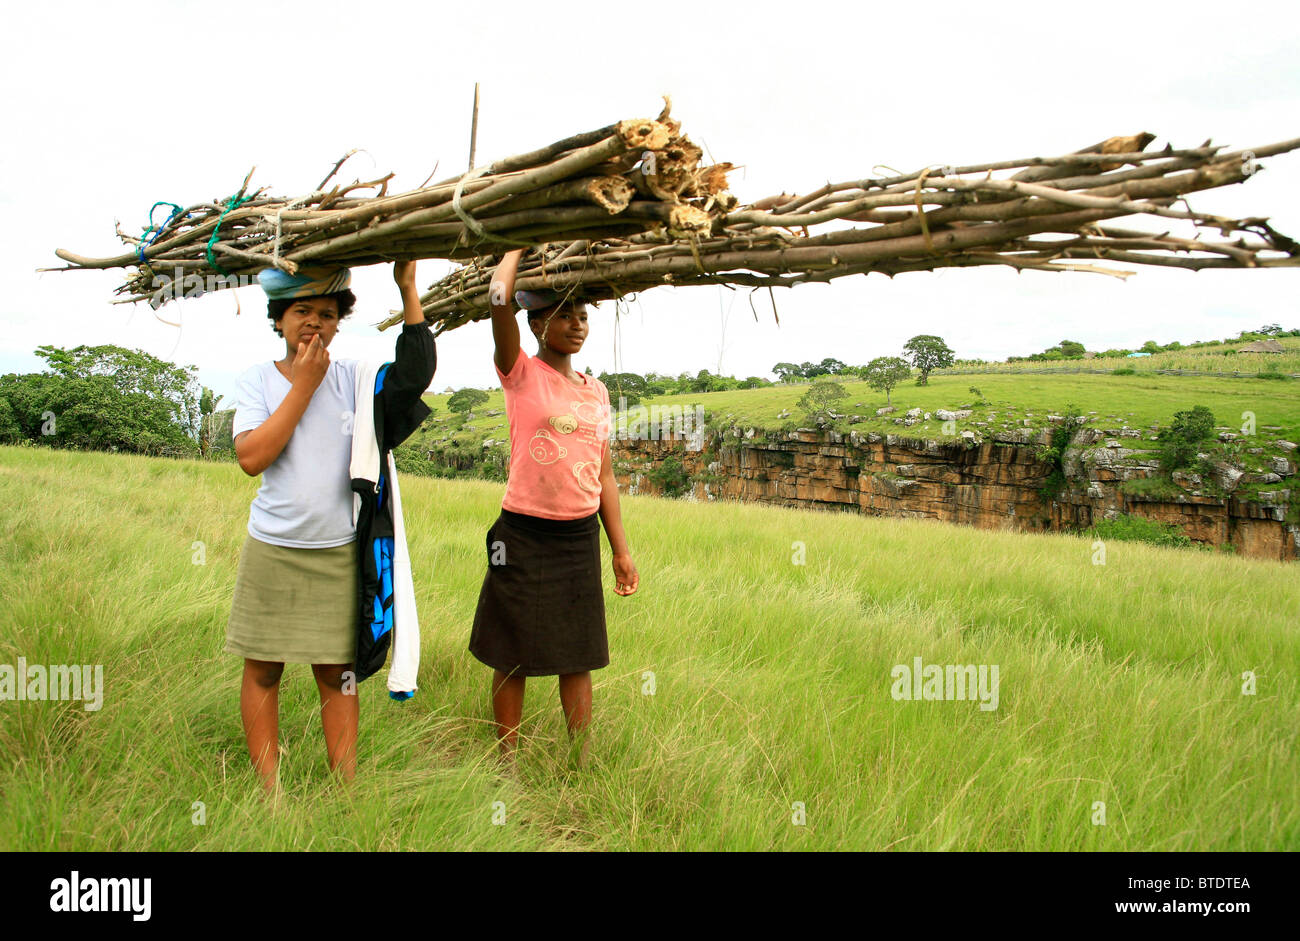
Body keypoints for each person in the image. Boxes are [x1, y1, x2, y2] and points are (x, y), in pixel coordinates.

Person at [227, 261, 434, 794]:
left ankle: (345, 788)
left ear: (340, 323)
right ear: (279, 319)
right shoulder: (256, 380)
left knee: (335, 675)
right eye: (302, 312)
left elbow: (414, 375)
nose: (314, 323)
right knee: (263, 670)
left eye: (326, 313)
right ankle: (269, 793)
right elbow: (253, 457)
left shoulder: (355, 380)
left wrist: (407, 289)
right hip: (273, 548)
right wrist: (303, 383)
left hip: (339, 551)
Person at [469, 247, 639, 763]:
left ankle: (581, 758)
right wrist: (518, 246)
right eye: (564, 313)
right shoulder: (519, 372)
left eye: (583, 314)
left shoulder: (598, 392)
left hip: (578, 536)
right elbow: (499, 299)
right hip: (521, 533)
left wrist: (620, 550)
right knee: (512, 651)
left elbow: (604, 473)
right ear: (537, 321)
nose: (577, 324)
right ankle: (506, 761)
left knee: (578, 654)